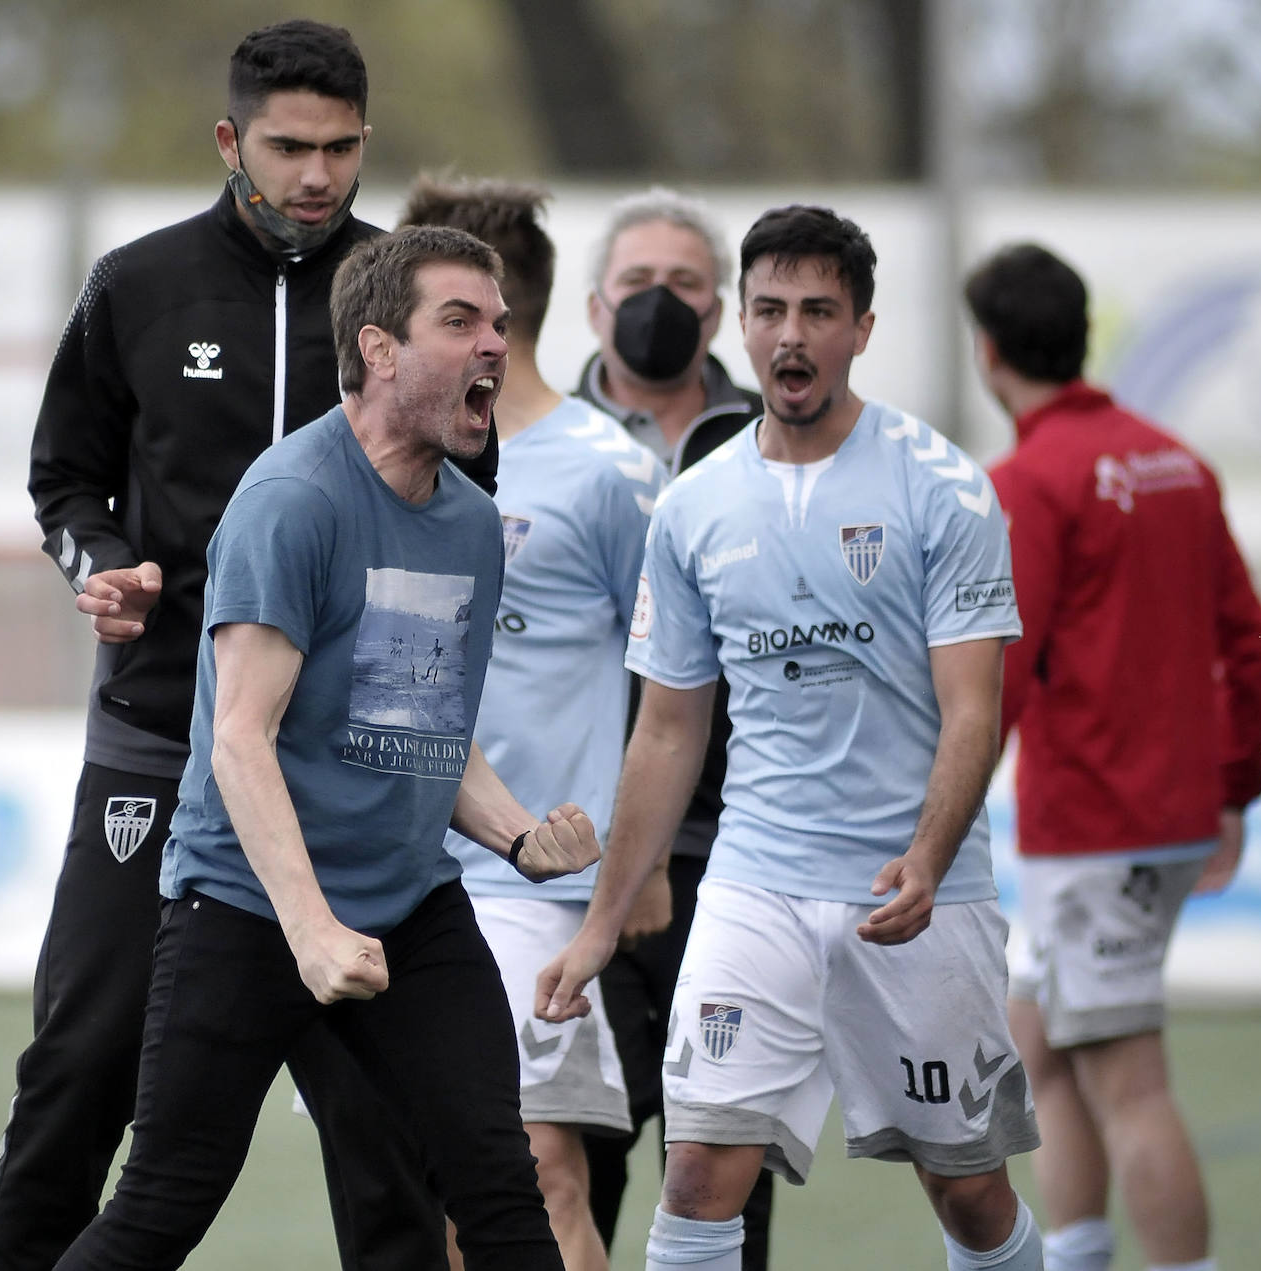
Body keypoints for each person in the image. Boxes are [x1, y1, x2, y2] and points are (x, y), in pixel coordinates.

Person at [3, 20, 495, 1271]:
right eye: (288, 147)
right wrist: (98, 565)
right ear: (233, 141)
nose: (317, 175)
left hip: (349, 774)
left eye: (340, 148)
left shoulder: (413, 299)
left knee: (383, 1125)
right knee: (83, 1060)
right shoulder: (138, 283)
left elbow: (465, 493)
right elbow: (63, 478)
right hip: (164, 737)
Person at [49, 224, 598, 1271]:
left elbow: (416, 721)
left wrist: (522, 836)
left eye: (502, 324)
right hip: (249, 904)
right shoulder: (292, 498)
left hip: (408, 910)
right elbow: (240, 744)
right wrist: (308, 928)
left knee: (500, 1189)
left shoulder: (472, 522)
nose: (497, 345)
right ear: (380, 348)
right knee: (162, 1205)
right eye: (462, 321)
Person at [539, 203, 1045, 1271]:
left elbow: (973, 708)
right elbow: (667, 732)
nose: (791, 334)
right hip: (755, 885)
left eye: (819, 310)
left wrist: (930, 855)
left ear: (863, 327)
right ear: (743, 324)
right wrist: (599, 924)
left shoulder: (944, 487)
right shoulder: (692, 508)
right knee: (698, 1178)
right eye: (770, 308)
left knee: (968, 1192)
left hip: (915, 896)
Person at [963, 243, 1261, 1271]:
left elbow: (1002, 667)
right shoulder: (1174, 458)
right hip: (1166, 814)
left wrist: (942, 809)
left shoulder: (1031, 480)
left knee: (1127, 1080)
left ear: (989, 351)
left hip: (1099, 826)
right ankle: (1076, 1254)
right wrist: (1235, 788)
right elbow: (1254, 646)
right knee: (1036, 1047)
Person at [399, 175, 667, 1271]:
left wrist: (635, 861)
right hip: (398, 874)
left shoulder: (614, 475)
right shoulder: (396, 462)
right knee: (429, 1182)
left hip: (535, 883)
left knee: (535, 1167)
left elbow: (675, 681)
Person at [573, 187, 774, 1269]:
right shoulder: (525, 438)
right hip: (568, 855)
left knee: (724, 1175)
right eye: (639, 283)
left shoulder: (777, 441)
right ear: (595, 305)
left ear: (723, 307)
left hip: (745, 858)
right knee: (572, 1161)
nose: (661, 303)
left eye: (687, 285)